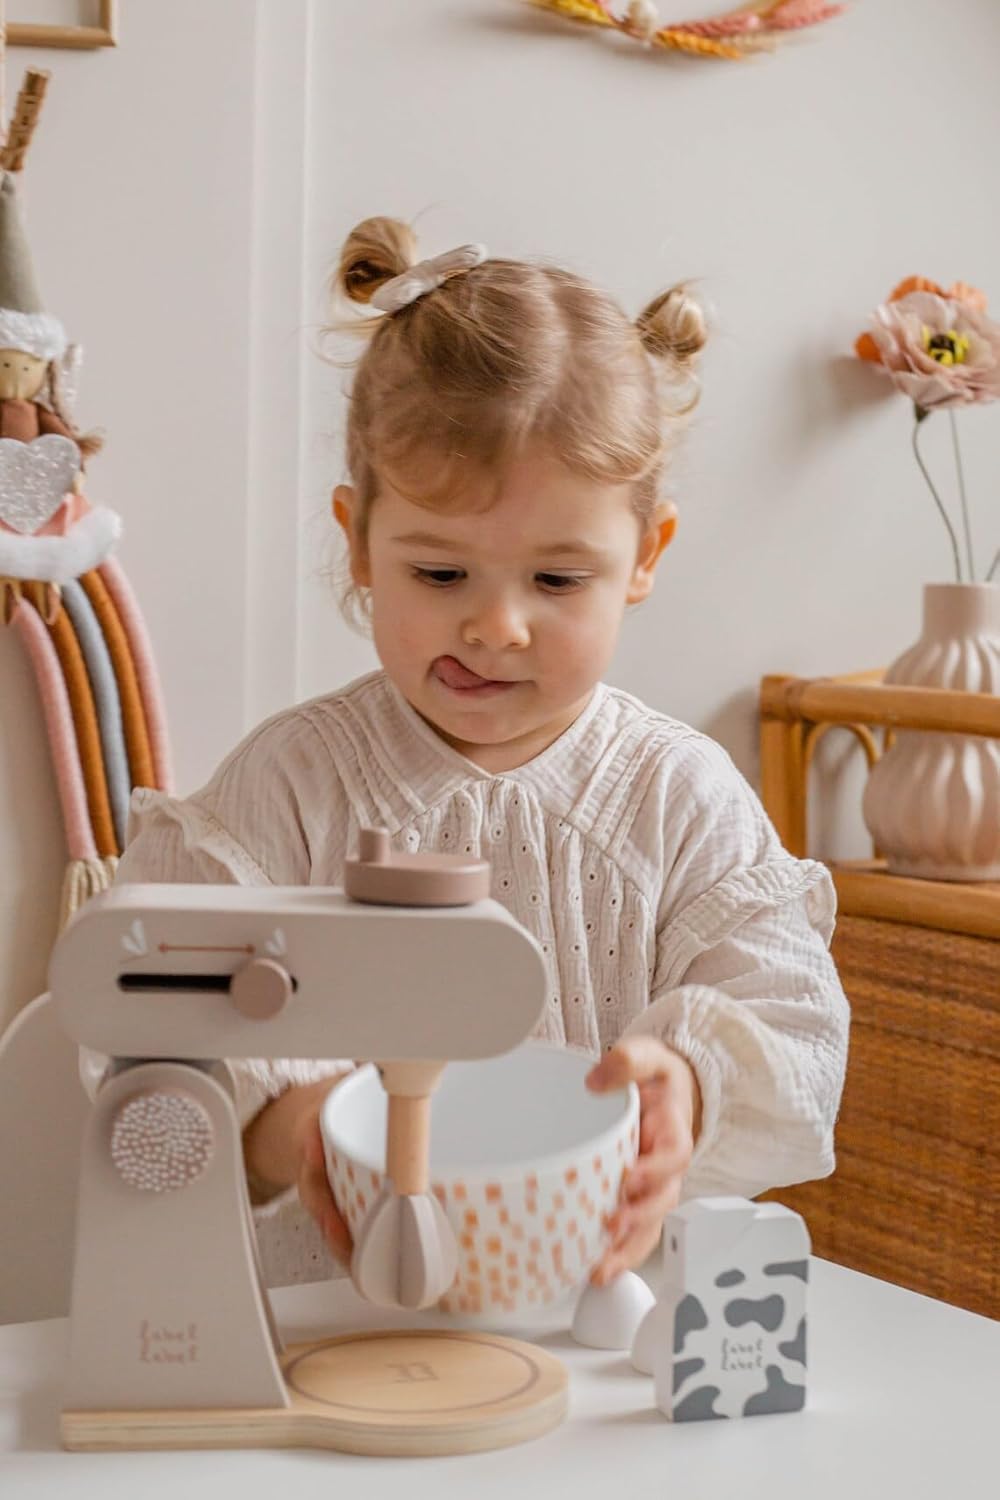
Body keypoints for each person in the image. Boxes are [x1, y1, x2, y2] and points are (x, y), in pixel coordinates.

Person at [96, 218, 849, 1290]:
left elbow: (792, 1023)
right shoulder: (292, 787)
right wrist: (291, 1122)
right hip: (338, 1323)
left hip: (605, 1324)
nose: (496, 628)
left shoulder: (678, 797)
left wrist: (688, 1080)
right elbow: (147, 1033)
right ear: (360, 543)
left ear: (645, 555)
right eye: (441, 575)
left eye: (557, 581)